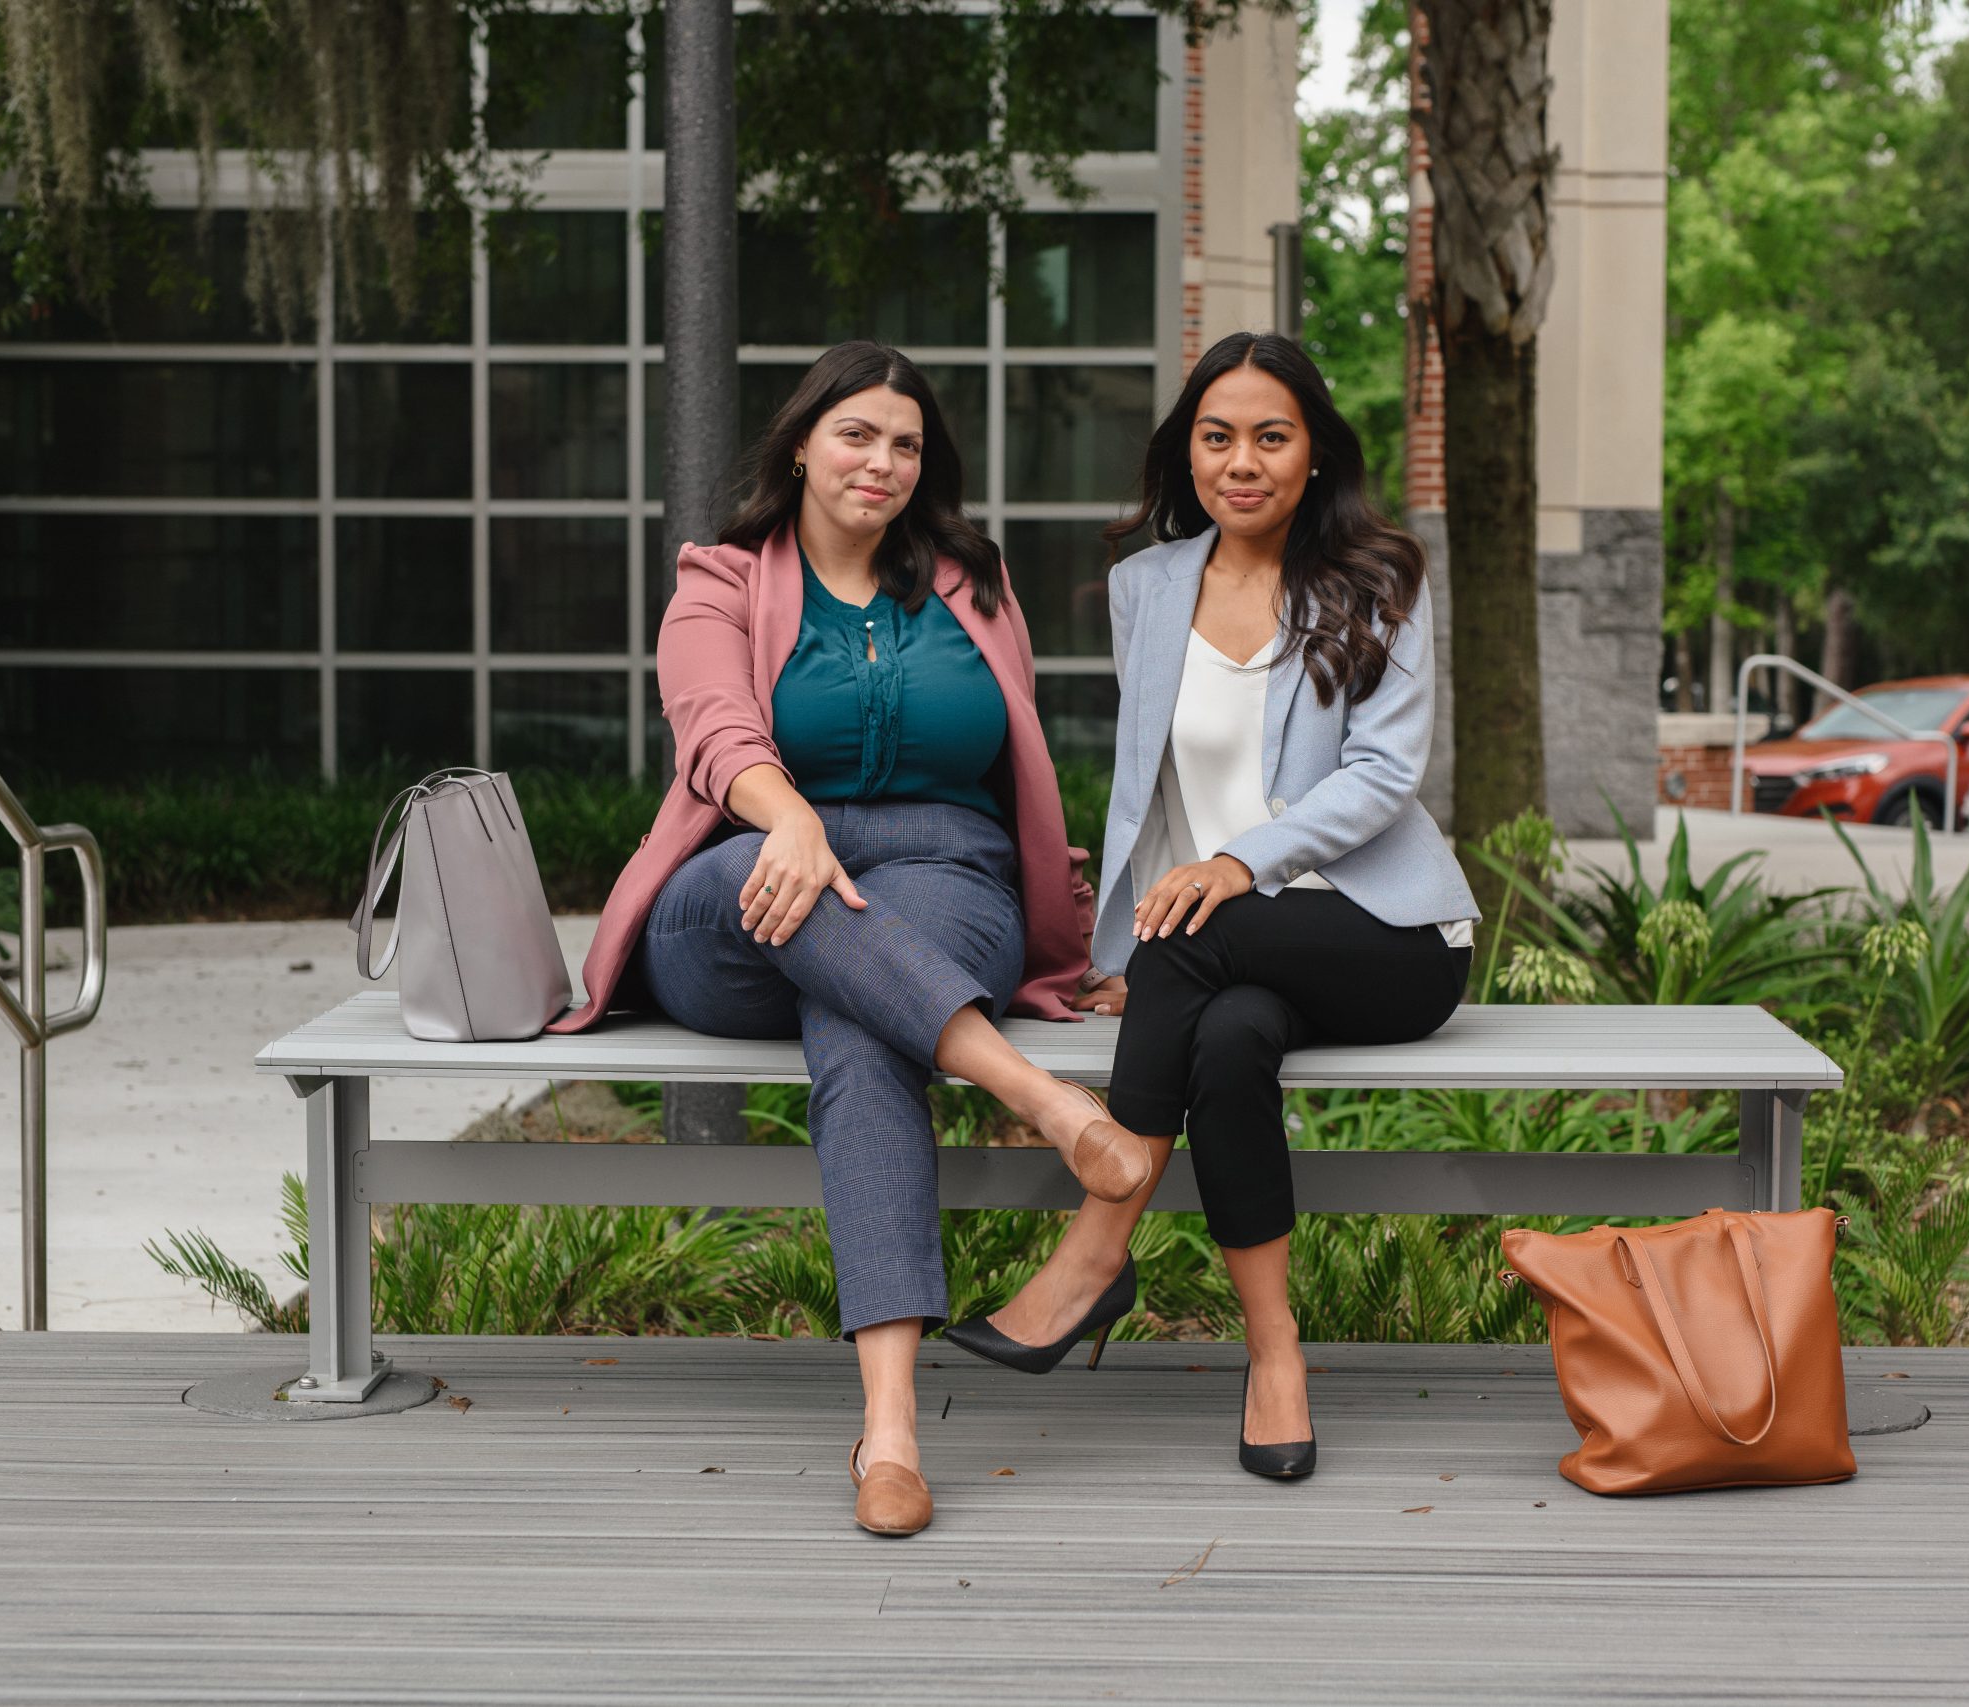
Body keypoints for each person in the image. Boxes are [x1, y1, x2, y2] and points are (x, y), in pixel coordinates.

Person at [552, 340, 1157, 1537]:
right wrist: (788, 824)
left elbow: (1021, 765)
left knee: (862, 1017)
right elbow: (715, 728)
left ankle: (889, 1434)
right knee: (817, 916)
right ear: (800, 444)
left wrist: (1083, 934)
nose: (881, 461)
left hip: (947, 876)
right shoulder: (719, 579)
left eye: (906, 444)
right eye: (857, 434)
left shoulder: (969, 585)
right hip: (738, 885)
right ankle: (1044, 1103)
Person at [943, 331, 1480, 1479]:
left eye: (1271, 437)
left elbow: (1384, 776)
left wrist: (1240, 866)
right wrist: (1119, 934)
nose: (1242, 461)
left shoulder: (1381, 575)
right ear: (1186, 451)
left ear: (1315, 454)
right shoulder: (1145, 590)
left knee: (1191, 936)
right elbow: (1149, 789)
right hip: (1227, 959)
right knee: (1227, 1045)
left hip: (1387, 937)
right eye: (1217, 436)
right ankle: (1275, 1358)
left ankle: (1092, 1252)